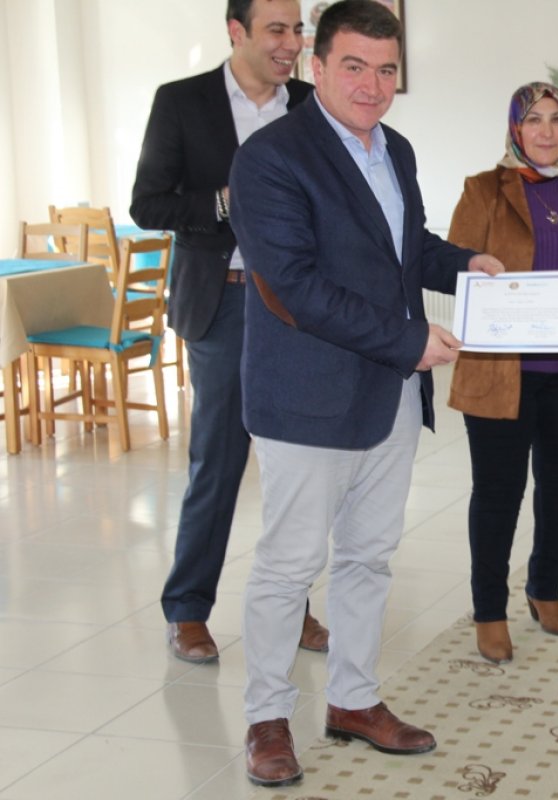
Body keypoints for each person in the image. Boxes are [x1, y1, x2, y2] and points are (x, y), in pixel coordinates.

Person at [226, 0, 504, 788]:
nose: (372, 85)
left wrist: (465, 264)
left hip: (388, 396)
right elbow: (296, 287)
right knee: (289, 567)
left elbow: (403, 249)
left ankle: (352, 700)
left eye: (386, 70)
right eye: (354, 66)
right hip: (307, 398)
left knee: (369, 558)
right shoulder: (271, 158)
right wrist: (410, 341)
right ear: (317, 67)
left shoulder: (396, 149)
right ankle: (267, 718)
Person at [130, 0, 328, 665]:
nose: (291, 43)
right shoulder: (182, 102)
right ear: (236, 31)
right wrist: (223, 201)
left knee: (296, 465)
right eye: (277, 30)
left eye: (297, 30)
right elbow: (148, 203)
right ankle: (187, 609)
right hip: (223, 304)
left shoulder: (309, 104)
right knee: (217, 460)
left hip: (297, 308)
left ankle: (292, 603)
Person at [446, 82, 558, 665]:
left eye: (557, 119)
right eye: (534, 119)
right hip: (501, 373)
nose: (546, 131)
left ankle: (545, 587)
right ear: (515, 128)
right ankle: (489, 610)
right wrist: (490, 281)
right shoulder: (483, 189)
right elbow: (456, 270)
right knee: (498, 494)